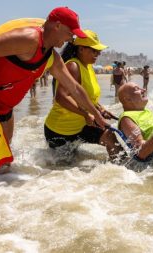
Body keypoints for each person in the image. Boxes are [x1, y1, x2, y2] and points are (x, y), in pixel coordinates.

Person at [0, 7, 108, 169]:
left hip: (6, 110)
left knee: (1, 162)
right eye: (70, 32)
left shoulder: (52, 57)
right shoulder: (29, 39)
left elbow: (74, 88)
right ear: (57, 26)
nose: (70, 38)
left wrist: (97, 115)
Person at [44, 29, 122, 161]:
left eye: (99, 51)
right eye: (94, 50)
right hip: (60, 130)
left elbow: (86, 96)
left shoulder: (89, 66)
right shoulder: (73, 66)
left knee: (111, 139)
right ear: (81, 49)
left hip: (81, 126)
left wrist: (100, 109)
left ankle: (122, 172)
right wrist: (86, 114)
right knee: (63, 171)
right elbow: (62, 97)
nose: (98, 54)